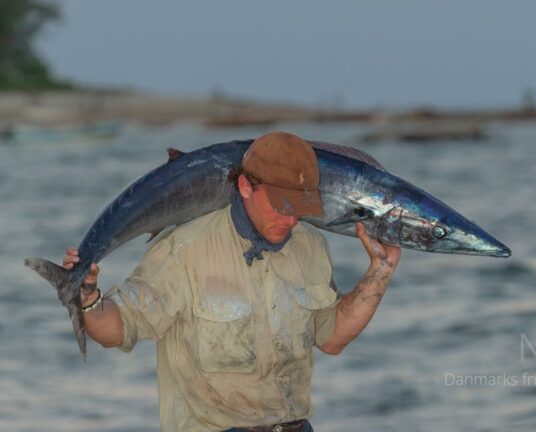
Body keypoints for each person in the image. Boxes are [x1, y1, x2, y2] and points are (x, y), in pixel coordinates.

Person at [62, 131, 401, 432]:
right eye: (280, 205)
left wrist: (380, 270)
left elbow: (332, 338)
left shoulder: (310, 246)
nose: (290, 218)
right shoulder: (183, 250)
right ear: (244, 186)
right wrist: (88, 296)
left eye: (299, 206)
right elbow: (118, 329)